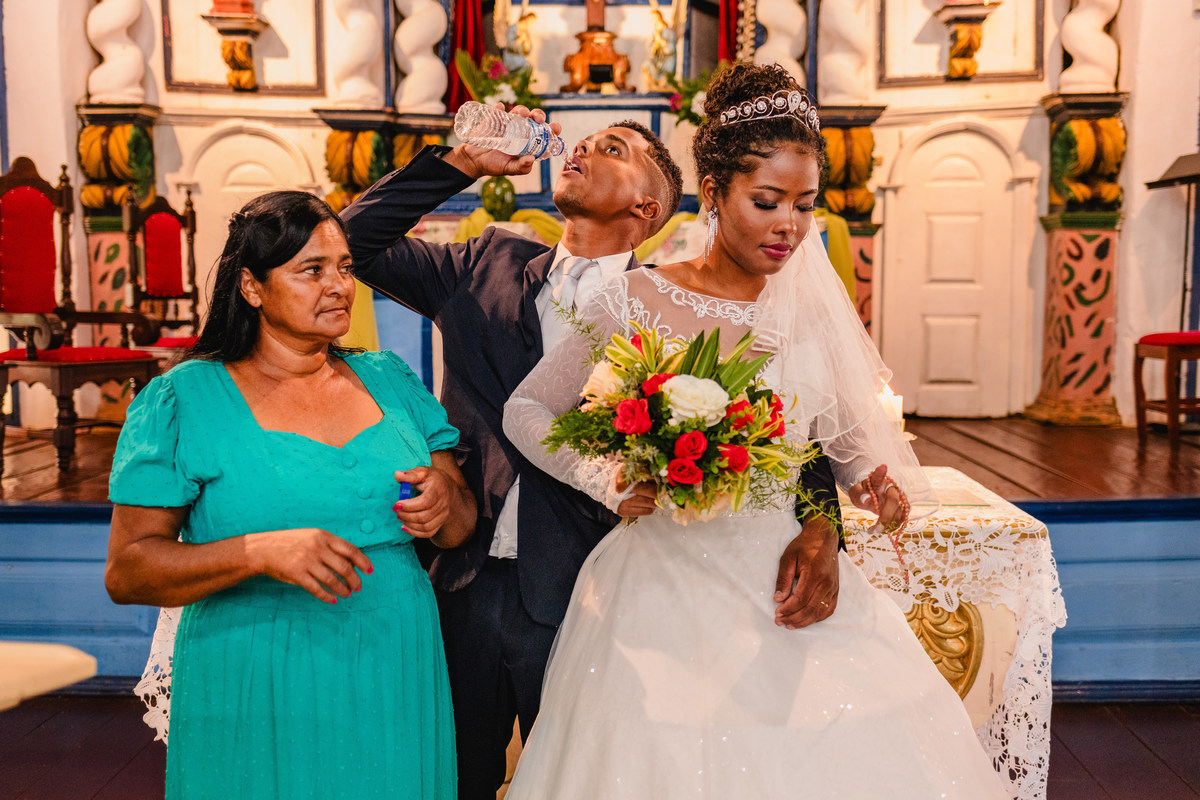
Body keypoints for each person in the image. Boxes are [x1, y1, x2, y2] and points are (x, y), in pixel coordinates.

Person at [499, 62, 1010, 798]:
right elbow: (527, 409)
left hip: (787, 576)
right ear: (713, 193)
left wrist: (867, 480)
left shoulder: (806, 308)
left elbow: (832, 440)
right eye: (767, 201)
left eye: (805, 206)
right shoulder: (638, 297)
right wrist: (605, 479)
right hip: (662, 583)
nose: (789, 226)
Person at [339, 112, 854, 799]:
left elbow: (788, 432)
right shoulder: (480, 264)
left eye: (613, 148)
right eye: (582, 144)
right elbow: (346, 244)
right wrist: (461, 162)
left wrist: (826, 524)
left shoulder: (673, 305)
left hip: (593, 590)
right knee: (447, 780)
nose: (580, 148)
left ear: (649, 207)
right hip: (459, 572)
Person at [105, 191, 476, 799]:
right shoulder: (184, 400)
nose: (338, 287)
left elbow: (459, 525)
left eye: (345, 268)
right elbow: (128, 570)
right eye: (311, 270)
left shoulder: (391, 379)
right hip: (257, 667)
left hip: (393, 657)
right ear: (252, 287)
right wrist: (256, 552)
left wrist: (444, 501)